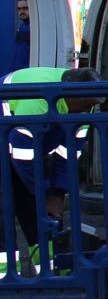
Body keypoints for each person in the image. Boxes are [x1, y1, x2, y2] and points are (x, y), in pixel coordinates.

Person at [1, 66, 100, 274]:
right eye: (84, 106)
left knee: (40, 208)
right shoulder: (37, 97)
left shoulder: (84, 102)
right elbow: (23, 156)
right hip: (10, 137)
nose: (86, 111)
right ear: (72, 97)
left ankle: (50, 270)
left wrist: (57, 193)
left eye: (90, 107)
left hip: (22, 143)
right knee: (5, 206)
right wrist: (44, 193)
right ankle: (5, 277)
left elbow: (69, 154)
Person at [11, 0, 30, 74]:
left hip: (29, 74)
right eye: (19, 9)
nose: (21, 11)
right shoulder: (21, 27)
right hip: (17, 74)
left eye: (25, 8)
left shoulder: (37, 27)